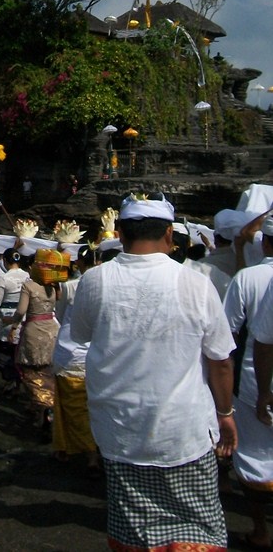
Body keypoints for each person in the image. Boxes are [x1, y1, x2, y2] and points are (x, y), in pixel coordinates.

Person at [72, 193, 237, 552]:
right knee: (198, 529)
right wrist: (226, 414)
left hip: (121, 429)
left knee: (135, 532)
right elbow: (221, 360)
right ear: (169, 234)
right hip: (183, 429)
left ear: (120, 232)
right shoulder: (195, 282)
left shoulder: (95, 280)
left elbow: (81, 336)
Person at [224, 219, 273, 549]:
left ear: (266, 243)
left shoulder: (249, 277)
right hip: (258, 376)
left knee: (255, 457)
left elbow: (228, 331)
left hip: (257, 378)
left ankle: (261, 531)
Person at [51, 245, 100, 472]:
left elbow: (59, 315)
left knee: (73, 408)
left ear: (78, 263)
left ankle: (89, 453)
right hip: (96, 354)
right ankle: (74, 447)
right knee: (93, 407)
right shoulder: (104, 285)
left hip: (71, 354)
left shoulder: (69, 286)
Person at [10, 247, 67, 434]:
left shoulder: (29, 286)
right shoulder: (53, 287)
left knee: (30, 370)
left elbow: (21, 310)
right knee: (48, 371)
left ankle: (44, 405)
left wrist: (13, 326)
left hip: (34, 330)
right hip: (52, 329)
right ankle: (43, 406)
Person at [0, 244, 30, 394]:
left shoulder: (4, 278)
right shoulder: (27, 276)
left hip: (6, 317)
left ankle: (12, 377)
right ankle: (16, 379)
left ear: (5, 262)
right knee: (17, 349)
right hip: (23, 316)